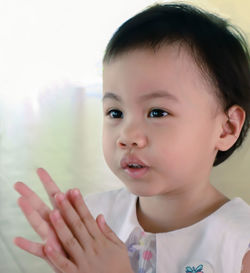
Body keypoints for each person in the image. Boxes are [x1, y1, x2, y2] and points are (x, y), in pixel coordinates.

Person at [13, 3, 250, 273]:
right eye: (115, 112)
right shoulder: (95, 221)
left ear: (226, 128)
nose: (127, 136)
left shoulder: (240, 244)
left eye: (157, 112)